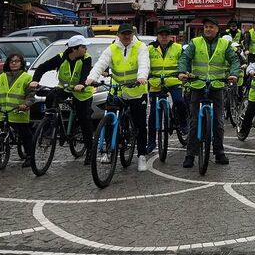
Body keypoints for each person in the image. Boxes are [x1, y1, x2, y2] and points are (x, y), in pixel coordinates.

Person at [86, 23, 150, 171]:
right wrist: (91, 77)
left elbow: (144, 64)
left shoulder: (140, 47)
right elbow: (101, 64)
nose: (126, 36)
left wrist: (141, 76)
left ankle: (141, 155)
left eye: (129, 33)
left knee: (140, 124)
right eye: (123, 34)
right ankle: (108, 150)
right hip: (117, 90)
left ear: (133, 34)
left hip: (136, 90)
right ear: (119, 35)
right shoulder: (112, 48)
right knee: (109, 119)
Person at [177, 17, 240, 167]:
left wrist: (234, 74)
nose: (208, 29)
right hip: (197, 85)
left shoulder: (225, 44)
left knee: (218, 122)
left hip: (217, 85)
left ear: (217, 29)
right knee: (194, 121)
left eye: (211, 27)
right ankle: (190, 155)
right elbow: (184, 57)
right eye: (206, 27)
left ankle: (219, 152)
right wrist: (182, 71)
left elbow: (234, 60)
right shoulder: (195, 42)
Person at [30, 35, 95, 164]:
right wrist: (35, 80)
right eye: (83, 47)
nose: (86, 49)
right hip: (64, 88)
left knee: (85, 120)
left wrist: (82, 84)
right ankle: (52, 123)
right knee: (50, 97)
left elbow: (86, 74)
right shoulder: (61, 57)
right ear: (74, 49)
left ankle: (89, 150)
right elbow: (42, 67)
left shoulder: (86, 58)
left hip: (81, 91)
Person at [146, 26, 188, 154]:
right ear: (157, 36)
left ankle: (183, 123)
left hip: (173, 81)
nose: (164, 37)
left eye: (166, 35)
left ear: (170, 36)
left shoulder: (178, 48)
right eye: (161, 35)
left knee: (179, 101)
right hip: (156, 82)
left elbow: (183, 62)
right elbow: (144, 64)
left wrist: (182, 72)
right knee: (153, 114)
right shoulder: (149, 49)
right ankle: (151, 142)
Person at [0, 53, 36, 168]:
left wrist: (25, 104)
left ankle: (30, 156)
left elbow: (31, 95)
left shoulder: (27, 77)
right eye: (11, 61)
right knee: (1, 133)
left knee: (25, 134)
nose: (14, 63)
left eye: (17, 61)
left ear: (21, 63)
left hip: (18, 112)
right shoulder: (1, 77)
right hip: (4, 112)